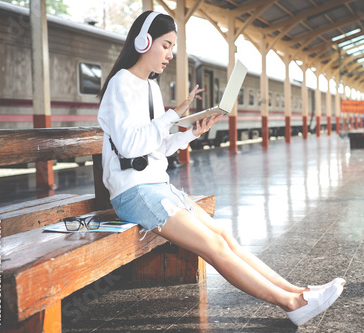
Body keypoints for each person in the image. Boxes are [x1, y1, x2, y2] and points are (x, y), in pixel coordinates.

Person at [97, 10, 345, 326]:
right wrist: (170, 119)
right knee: (213, 246)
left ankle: (300, 292)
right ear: (144, 41)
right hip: (134, 193)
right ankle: (292, 304)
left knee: (223, 233)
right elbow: (131, 146)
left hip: (157, 186)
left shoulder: (150, 88)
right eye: (166, 45)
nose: (170, 55)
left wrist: (190, 132)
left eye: (172, 47)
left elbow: (156, 147)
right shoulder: (121, 84)